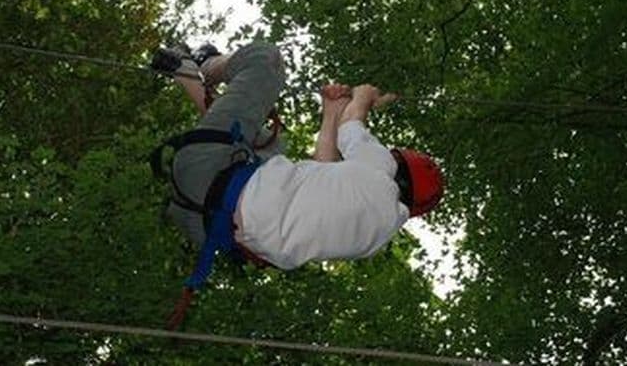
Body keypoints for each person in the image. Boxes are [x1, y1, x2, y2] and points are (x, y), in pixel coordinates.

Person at [150, 41, 444, 328]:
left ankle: (204, 64)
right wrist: (331, 111)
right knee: (273, 145)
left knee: (265, 58)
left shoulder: (382, 172)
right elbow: (321, 174)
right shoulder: (373, 238)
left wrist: (364, 95)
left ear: (399, 164)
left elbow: (352, 122)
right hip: (203, 223)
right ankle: (186, 76)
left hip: (209, 169)